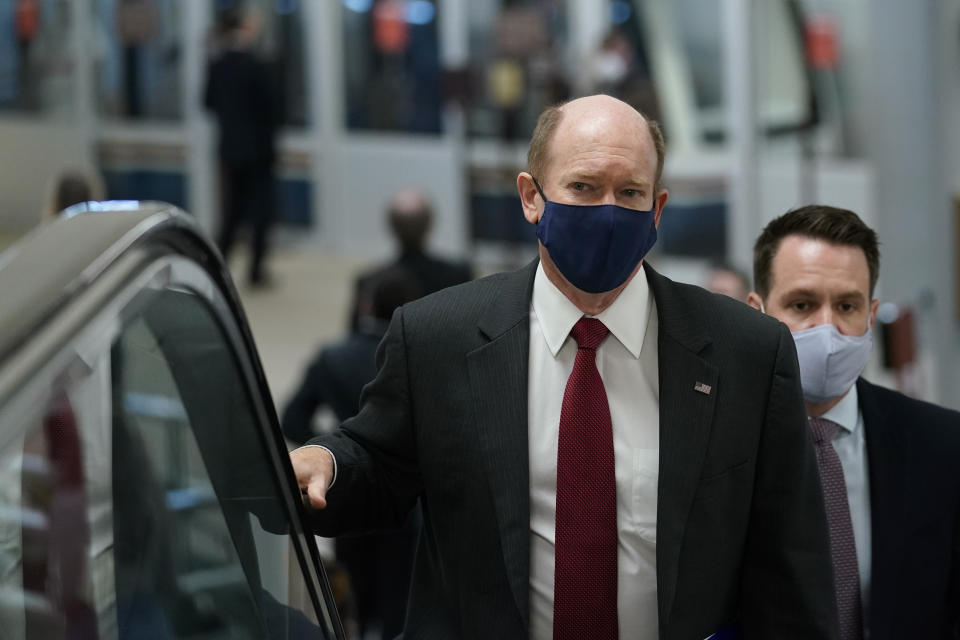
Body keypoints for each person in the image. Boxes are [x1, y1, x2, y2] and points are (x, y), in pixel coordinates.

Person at [291, 95, 837, 639]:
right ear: (531, 196)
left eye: (630, 193)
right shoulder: (438, 337)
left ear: (658, 210)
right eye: (583, 187)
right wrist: (327, 463)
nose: (607, 212)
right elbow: (378, 463)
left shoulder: (746, 353)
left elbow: (792, 567)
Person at [747, 205, 960, 640]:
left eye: (847, 306)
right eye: (802, 304)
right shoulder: (715, 445)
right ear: (758, 311)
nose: (828, 330)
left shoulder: (943, 446)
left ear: (871, 311)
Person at [204, 5, 281, 288]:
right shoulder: (258, 65)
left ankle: (217, 266)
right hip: (259, 150)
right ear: (244, 29)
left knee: (231, 212)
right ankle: (256, 270)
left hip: (230, 149)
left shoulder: (217, 64)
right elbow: (274, 108)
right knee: (262, 210)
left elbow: (207, 102)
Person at [349, 187, 472, 330]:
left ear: (391, 226)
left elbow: (358, 339)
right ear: (429, 223)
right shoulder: (458, 276)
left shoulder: (369, 282)